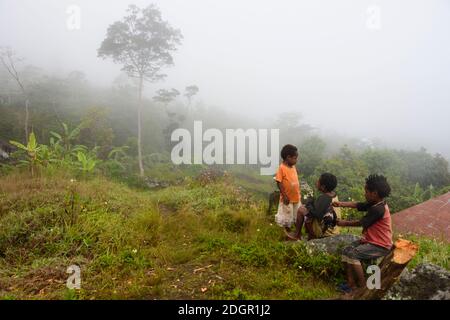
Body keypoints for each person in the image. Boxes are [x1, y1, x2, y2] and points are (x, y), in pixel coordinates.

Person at [332, 174, 393, 295]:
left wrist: (342, 223)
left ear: (374, 193)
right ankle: (351, 284)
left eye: (366, 191)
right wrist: (340, 204)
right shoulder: (376, 203)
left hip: (380, 245)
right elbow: (358, 205)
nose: (364, 194)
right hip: (371, 241)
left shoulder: (378, 209)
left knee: (353, 254)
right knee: (346, 250)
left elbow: (361, 223)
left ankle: (362, 286)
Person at [288, 173, 338, 240]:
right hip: (333, 231)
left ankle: (297, 235)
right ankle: (309, 236)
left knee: (301, 209)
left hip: (325, 233)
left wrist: (309, 202)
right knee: (307, 210)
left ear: (323, 187)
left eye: (318, 181)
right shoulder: (333, 195)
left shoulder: (324, 198)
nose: (317, 182)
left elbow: (315, 213)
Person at [274, 144, 301, 238]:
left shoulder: (293, 167)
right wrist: (284, 195)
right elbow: (279, 182)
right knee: (286, 215)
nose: (296, 160)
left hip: (296, 197)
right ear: (288, 157)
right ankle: (287, 233)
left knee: (295, 213)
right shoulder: (281, 168)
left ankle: (294, 230)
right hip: (287, 198)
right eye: (295, 158)